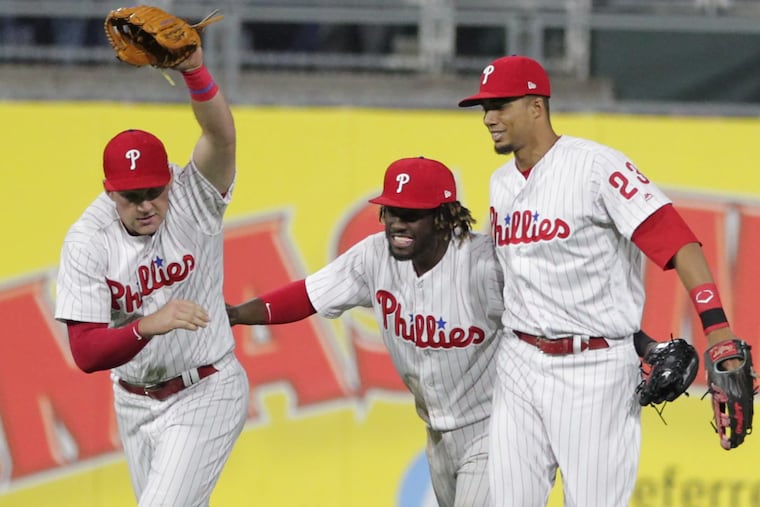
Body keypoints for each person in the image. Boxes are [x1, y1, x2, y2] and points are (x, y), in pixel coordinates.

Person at [457, 55, 742, 506]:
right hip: (518, 362)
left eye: (501, 105)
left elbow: (677, 241)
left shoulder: (596, 167)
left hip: (593, 369)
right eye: (484, 108)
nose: (489, 118)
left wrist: (718, 328)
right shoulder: (500, 183)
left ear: (536, 106)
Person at [226, 156, 502, 507]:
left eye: (412, 214)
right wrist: (237, 314)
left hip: (493, 430)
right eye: (391, 212)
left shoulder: (483, 265)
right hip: (437, 434)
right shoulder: (375, 256)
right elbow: (308, 295)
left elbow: (539, 324)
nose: (398, 224)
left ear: (444, 217)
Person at [54, 46, 249, 506]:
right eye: (132, 195)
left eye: (154, 191)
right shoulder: (88, 239)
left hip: (207, 387)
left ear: (169, 180)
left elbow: (221, 138)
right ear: (110, 193)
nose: (146, 204)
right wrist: (146, 325)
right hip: (134, 402)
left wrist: (194, 71)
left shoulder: (191, 198)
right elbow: (84, 351)